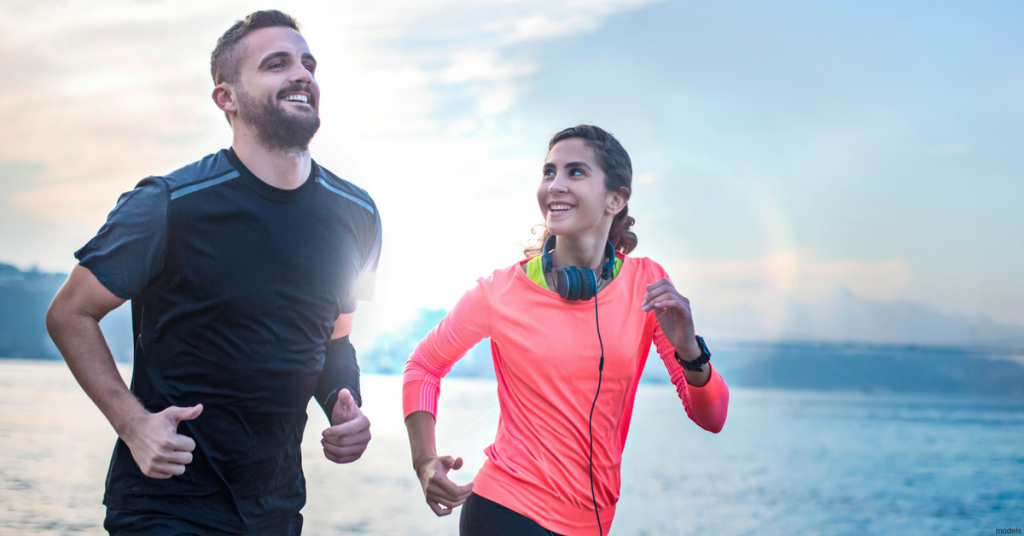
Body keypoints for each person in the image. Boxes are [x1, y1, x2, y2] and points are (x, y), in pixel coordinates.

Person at [45, 10, 380, 535]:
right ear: (226, 98)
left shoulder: (357, 214)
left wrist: (347, 409)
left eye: (308, 63)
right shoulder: (168, 204)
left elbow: (334, 339)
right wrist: (133, 425)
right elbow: (69, 313)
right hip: (164, 505)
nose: (302, 75)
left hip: (276, 507)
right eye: (276, 64)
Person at [403, 125, 729, 536]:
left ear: (616, 198)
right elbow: (423, 367)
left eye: (575, 172)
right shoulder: (499, 291)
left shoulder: (648, 285)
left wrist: (688, 350)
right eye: (548, 172)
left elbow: (712, 417)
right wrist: (424, 460)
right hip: (505, 511)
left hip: (592, 523)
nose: (555, 185)